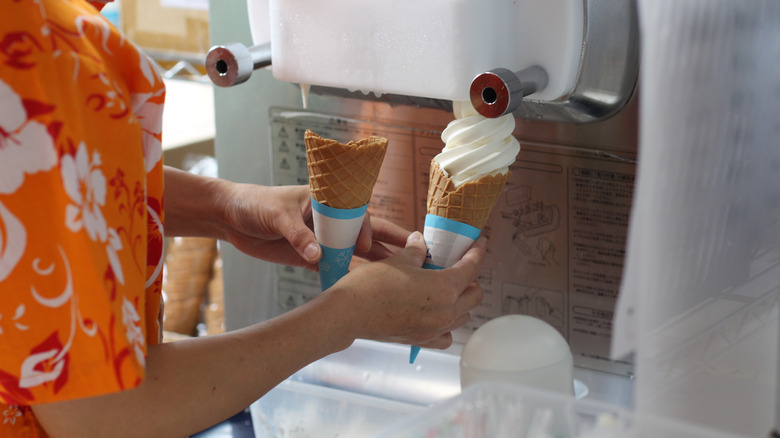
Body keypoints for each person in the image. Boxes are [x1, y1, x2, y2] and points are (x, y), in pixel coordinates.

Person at [0, 1, 485, 436]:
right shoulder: (45, 48)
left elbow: (40, 189)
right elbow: (104, 416)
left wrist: (223, 207)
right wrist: (348, 315)